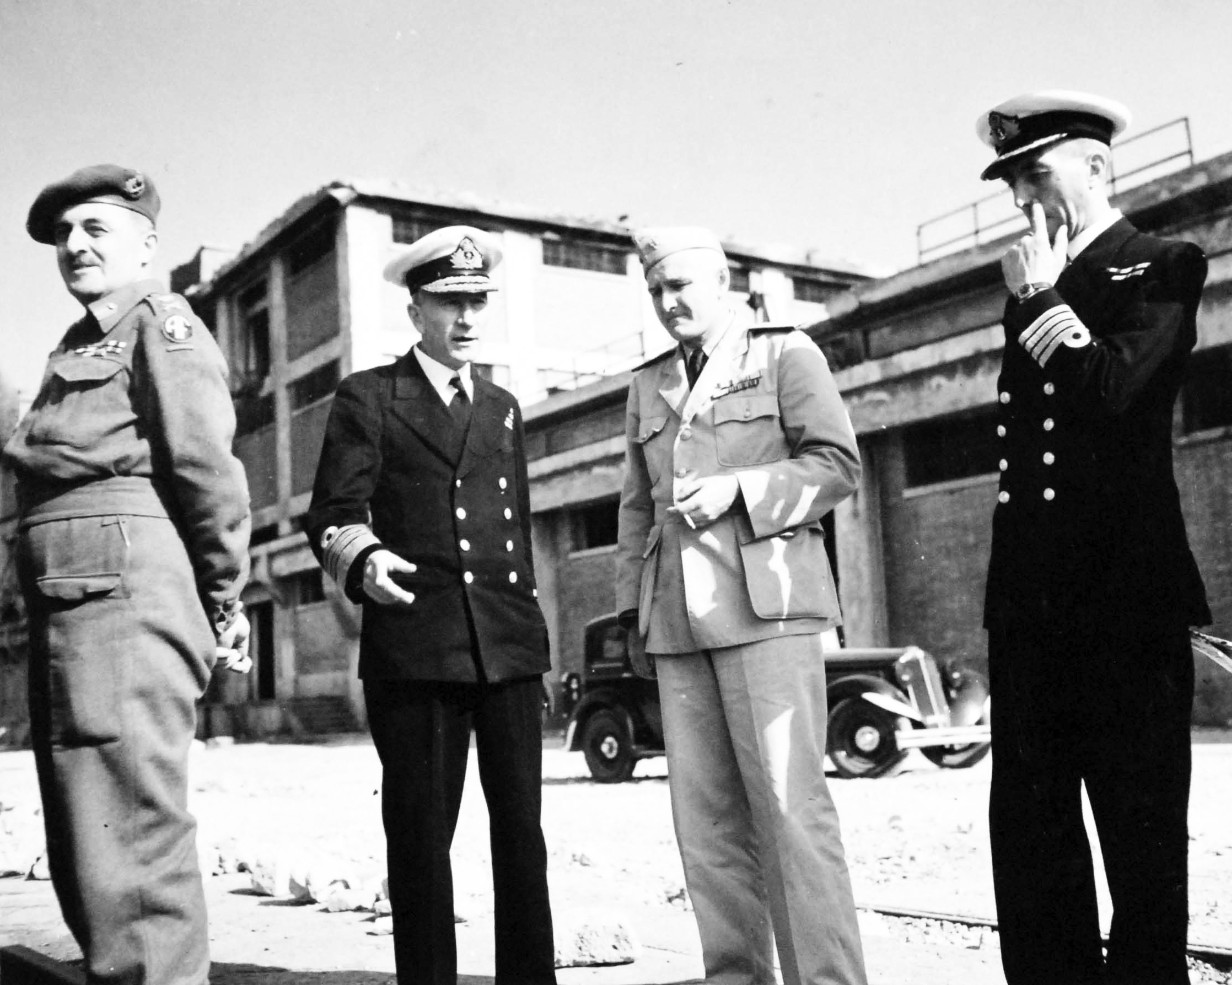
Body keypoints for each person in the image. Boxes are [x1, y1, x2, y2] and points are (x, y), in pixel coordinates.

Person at [977, 91, 1212, 985]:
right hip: (1032, 604)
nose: (1023, 199)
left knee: (1140, 834)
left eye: (1036, 173)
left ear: (1098, 167)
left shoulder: (1161, 265)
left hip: (1126, 602)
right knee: (1033, 840)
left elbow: (1113, 395)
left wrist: (1038, 294)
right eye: (1011, 183)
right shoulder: (1032, 285)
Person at [4, 165, 252, 985]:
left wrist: (225, 594)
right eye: (64, 234)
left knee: (133, 826)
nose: (74, 245)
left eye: (95, 229)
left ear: (147, 244)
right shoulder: (77, 346)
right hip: (73, 605)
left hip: (124, 601)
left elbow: (205, 465)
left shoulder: (162, 322)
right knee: (86, 826)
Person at [615, 227, 868, 985]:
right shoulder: (646, 382)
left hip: (768, 612)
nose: (668, 303)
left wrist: (739, 490)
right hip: (676, 624)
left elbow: (836, 464)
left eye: (682, 286)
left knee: (792, 812)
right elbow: (636, 509)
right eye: (657, 290)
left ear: (723, 281)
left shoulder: (785, 352)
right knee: (707, 828)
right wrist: (634, 614)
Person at [305, 226, 556, 985]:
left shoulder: (506, 406)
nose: (468, 316)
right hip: (418, 647)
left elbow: (518, 530)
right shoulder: (371, 397)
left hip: (507, 647)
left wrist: (535, 638)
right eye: (450, 301)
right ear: (415, 310)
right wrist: (366, 558)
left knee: (522, 836)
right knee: (420, 840)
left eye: (479, 299)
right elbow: (332, 513)